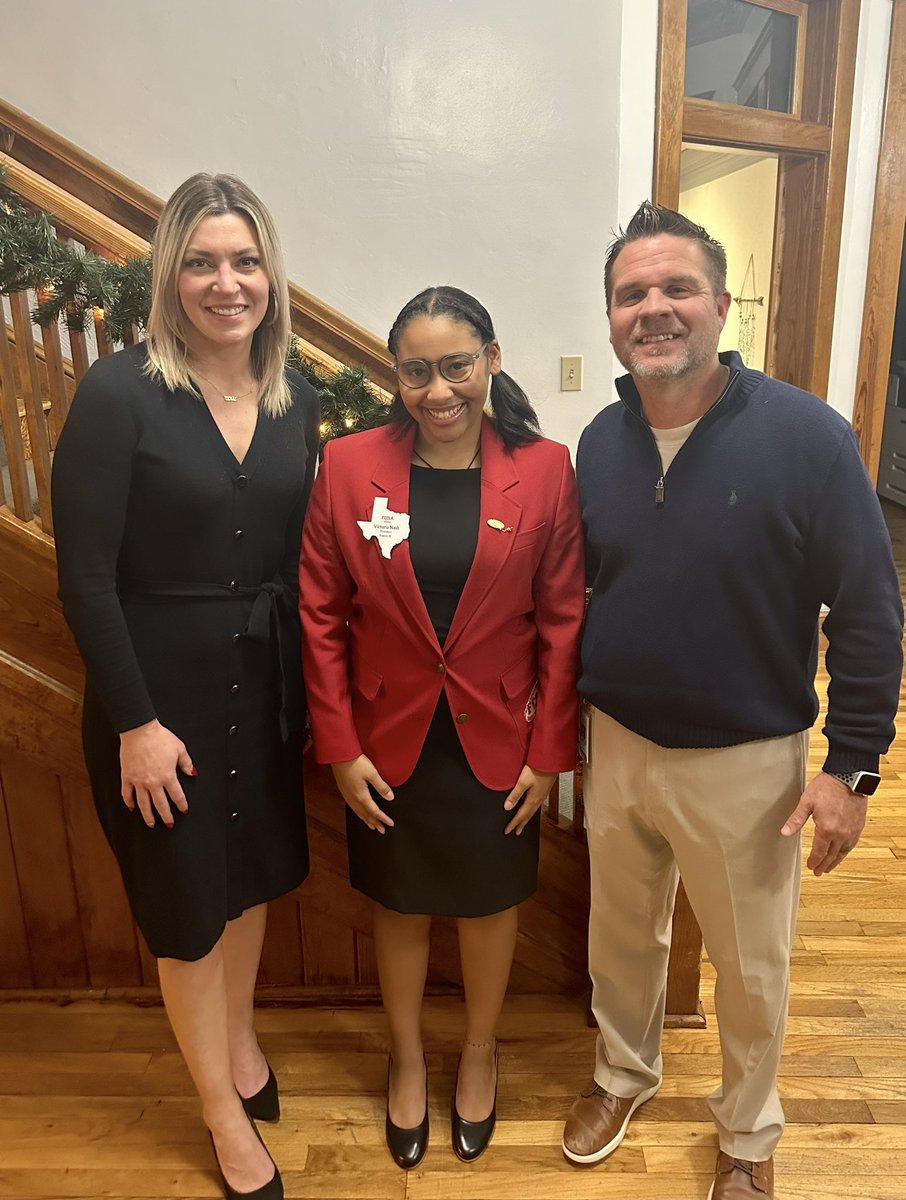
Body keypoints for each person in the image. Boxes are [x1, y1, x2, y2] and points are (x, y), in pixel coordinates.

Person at [563, 202, 903, 1200]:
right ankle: (623, 1073)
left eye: (675, 289)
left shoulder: (807, 438)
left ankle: (748, 1136)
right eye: (632, 294)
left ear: (719, 303)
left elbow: (873, 612)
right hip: (616, 743)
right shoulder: (599, 440)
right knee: (619, 939)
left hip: (749, 762)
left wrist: (852, 767)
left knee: (753, 969)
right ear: (612, 317)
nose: (653, 308)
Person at [52, 173, 319, 1200]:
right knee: (186, 913)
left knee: (244, 887)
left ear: (270, 275)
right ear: (169, 275)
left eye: (244, 261)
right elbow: (83, 577)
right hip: (161, 707)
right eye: (202, 262)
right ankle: (219, 1111)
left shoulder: (292, 400)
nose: (227, 282)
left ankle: (239, 1045)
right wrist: (135, 722)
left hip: (265, 690)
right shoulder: (121, 393)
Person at [299, 285, 585, 1169]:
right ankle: (408, 1057)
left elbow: (563, 618)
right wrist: (339, 744)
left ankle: (479, 1051)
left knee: (492, 902)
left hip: (500, 734)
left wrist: (551, 754)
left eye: (457, 365)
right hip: (388, 740)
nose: (439, 389)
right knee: (401, 901)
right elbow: (320, 611)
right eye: (416, 371)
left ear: (491, 360)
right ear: (397, 376)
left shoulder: (544, 469)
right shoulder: (348, 466)